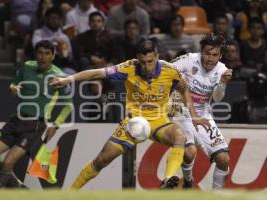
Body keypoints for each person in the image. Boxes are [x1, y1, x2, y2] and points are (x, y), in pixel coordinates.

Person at [49, 40, 210, 190]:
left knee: (179, 136)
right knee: (101, 160)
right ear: (137, 58)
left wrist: (194, 116)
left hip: (158, 121)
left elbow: (183, 90)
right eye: (143, 62)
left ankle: (168, 179)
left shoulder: (170, 71)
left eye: (150, 61)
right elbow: (96, 73)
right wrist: (69, 79)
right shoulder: (129, 68)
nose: (146, 67)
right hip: (133, 123)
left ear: (157, 57)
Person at [0, 40, 73, 188]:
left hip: (35, 125)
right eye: (40, 53)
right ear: (35, 54)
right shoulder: (27, 67)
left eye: (47, 54)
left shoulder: (59, 76)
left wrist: (55, 125)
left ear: (53, 56)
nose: (43, 57)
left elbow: (69, 106)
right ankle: (18, 187)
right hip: (16, 120)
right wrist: (13, 88)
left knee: (7, 163)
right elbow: (14, 82)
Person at [169, 33, 232, 189]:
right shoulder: (189, 59)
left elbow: (217, 99)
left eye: (214, 55)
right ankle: (188, 181)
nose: (210, 58)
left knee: (224, 159)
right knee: (189, 153)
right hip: (181, 111)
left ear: (220, 55)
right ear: (201, 51)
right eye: (207, 53)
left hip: (203, 114)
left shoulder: (222, 70)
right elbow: (165, 71)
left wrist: (223, 83)